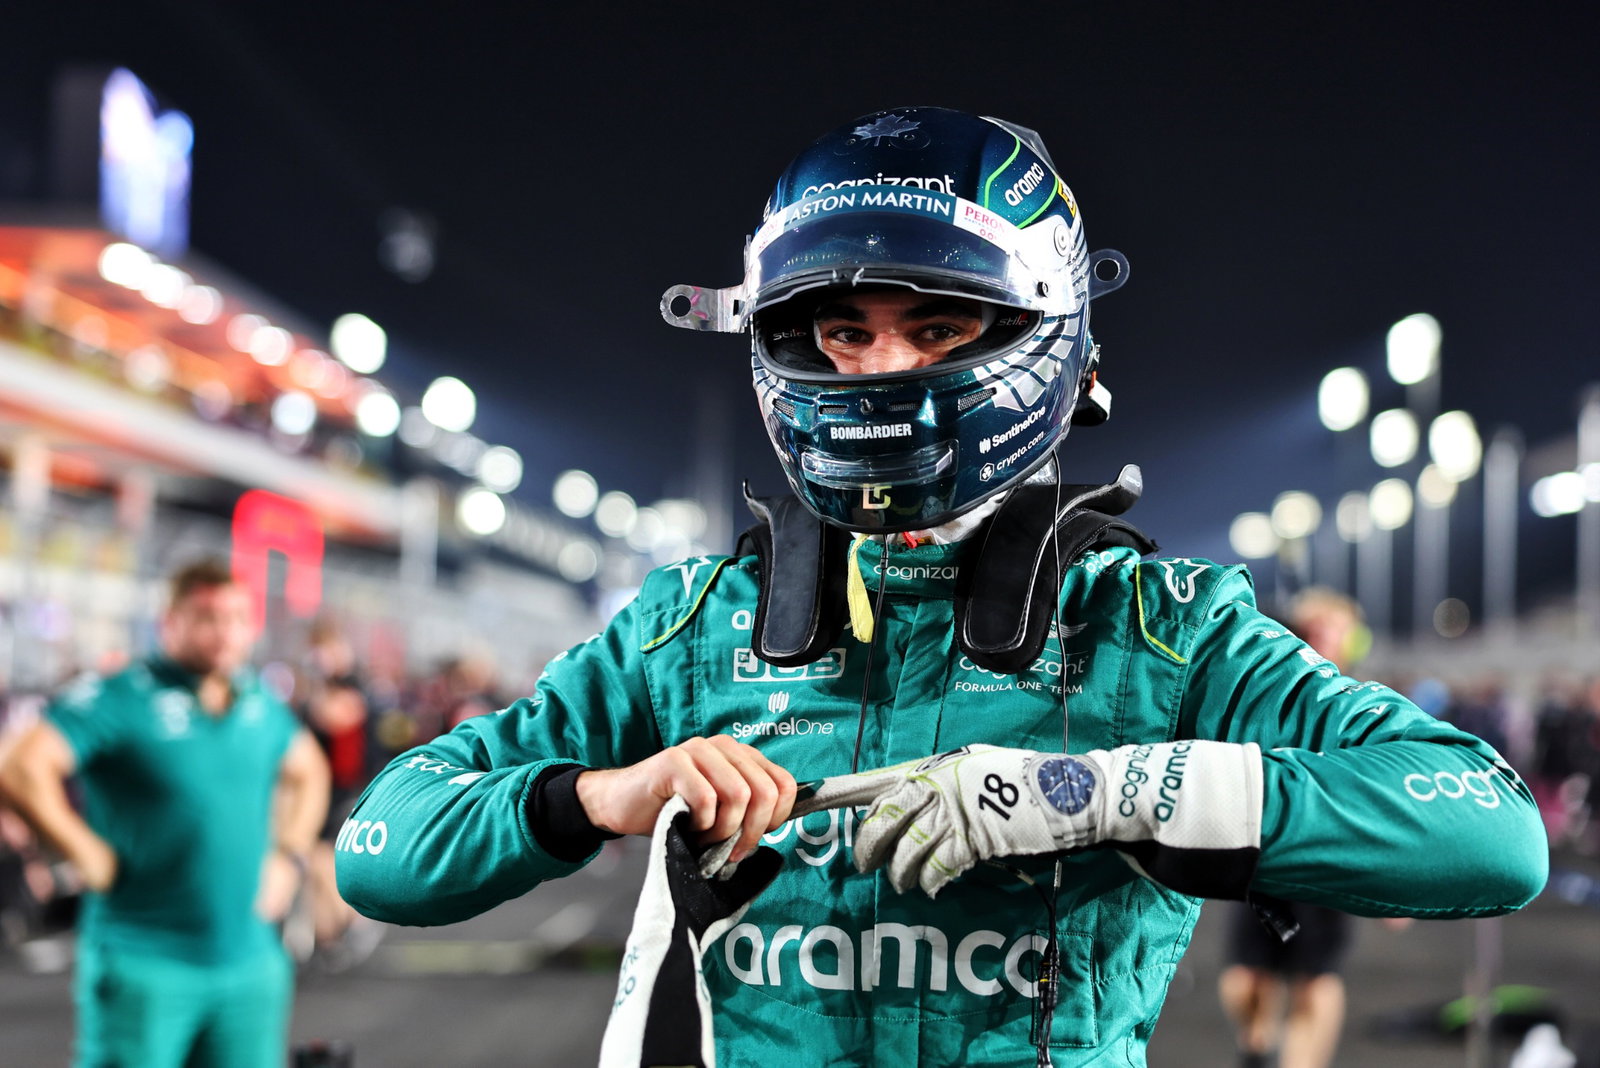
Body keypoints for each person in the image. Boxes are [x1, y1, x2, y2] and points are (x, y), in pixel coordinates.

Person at [336, 107, 1547, 1066]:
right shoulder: (688, 624)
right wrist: (605, 793)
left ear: (1050, 336)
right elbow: (383, 849)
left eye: (937, 327)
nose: (879, 368)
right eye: (843, 334)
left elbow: (1486, 834)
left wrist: (1083, 791)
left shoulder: (1160, 629)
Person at [0, 558, 329, 1067]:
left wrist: (288, 858)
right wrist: (82, 851)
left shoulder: (258, 701)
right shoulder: (121, 695)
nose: (224, 632)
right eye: (206, 617)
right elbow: (21, 768)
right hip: (145, 960)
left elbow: (309, 772)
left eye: (238, 618)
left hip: (250, 961)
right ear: (170, 621)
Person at [1215, 587, 1402, 1068]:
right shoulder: (1263, 695)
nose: (1322, 638)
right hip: (1262, 854)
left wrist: (1393, 878)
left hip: (1325, 861)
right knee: (1244, 979)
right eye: (1312, 628)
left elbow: (1380, 793)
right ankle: (1255, 1044)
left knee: (1315, 982)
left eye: (1332, 628)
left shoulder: (1364, 706)